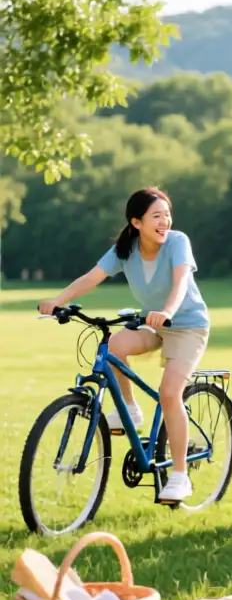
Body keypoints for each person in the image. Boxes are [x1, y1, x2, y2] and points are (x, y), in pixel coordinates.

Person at [38, 186, 209, 502]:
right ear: (136, 222)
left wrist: (167, 312)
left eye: (167, 215)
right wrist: (58, 301)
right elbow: (92, 277)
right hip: (152, 322)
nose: (164, 221)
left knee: (169, 394)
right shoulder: (125, 250)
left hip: (188, 326)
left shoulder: (177, 242)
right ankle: (130, 408)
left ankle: (180, 476)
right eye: (156, 216)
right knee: (114, 347)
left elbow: (181, 283)